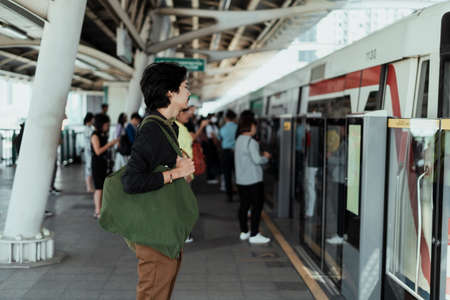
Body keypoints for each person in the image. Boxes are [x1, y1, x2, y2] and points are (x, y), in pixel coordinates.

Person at [121, 62, 195, 300]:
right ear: (169, 92)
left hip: (165, 228)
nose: (189, 91)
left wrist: (178, 167)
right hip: (154, 233)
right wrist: (176, 173)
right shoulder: (153, 129)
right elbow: (131, 181)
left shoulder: (167, 126)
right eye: (184, 86)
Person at [235, 115, 271, 244]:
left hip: (241, 180)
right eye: (255, 126)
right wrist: (265, 157)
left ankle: (244, 232)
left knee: (244, 206)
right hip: (253, 180)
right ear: (250, 127)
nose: (256, 128)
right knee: (257, 207)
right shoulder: (251, 141)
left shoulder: (238, 139)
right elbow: (257, 160)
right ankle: (255, 234)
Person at [91, 113, 118, 219]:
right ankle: (97, 211)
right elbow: (98, 151)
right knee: (99, 188)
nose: (107, 126)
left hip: (103, 164)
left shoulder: (102, 134)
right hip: (97, 164)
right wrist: (110, 144)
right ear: (100, 124)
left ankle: (100, 209)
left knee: (102, 187)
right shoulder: (95, 135)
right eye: (106, 124)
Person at [219, 110, 237, 202]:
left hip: (225, 153)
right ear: (234, 118)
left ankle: (229, 196)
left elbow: (220, 139)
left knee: (227, 174)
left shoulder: (223, 128)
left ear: (226, 118)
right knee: (237, 173)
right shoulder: (237, 127)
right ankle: (240, 193)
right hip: (236, 152)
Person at [204, 114, 221, 184]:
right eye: (213, 117)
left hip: (214, 144)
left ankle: (213, 175)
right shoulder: (208, 126)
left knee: (214, 161)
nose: (214, 118)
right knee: (210, 161)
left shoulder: (214, 126)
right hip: (211, 144)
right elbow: (213, 136)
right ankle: (210, 177)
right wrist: (218, 145)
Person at [83, 113, 95, 193]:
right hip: (89, 152)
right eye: (93, 119)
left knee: (90, 169)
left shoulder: (90, 128)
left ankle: (90, 186)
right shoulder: (87, 129)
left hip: (90, 152)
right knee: (89, 169)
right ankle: (89, 187)